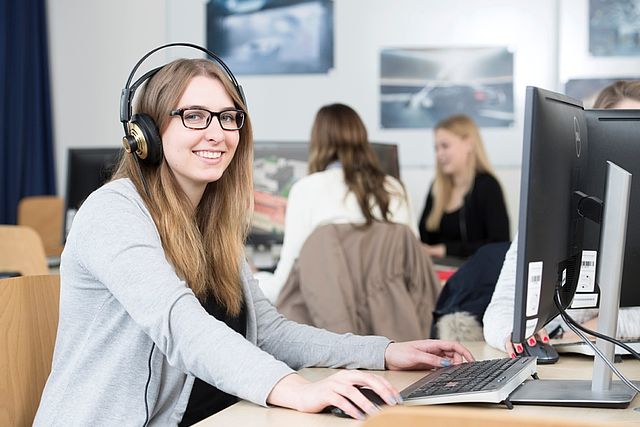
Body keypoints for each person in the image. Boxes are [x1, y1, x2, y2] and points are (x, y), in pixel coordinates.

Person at [34, 57, 473, 426]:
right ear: (145, 133)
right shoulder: (113, 211)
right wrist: (295, 389)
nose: (217, 132)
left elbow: (272, 334)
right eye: (194, 116)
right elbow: (182, 327)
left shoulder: (211, 226)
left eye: (229, 117)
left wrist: (385, 352)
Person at [483, 80, 640, 357]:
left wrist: (603, 325)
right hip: (569, 359)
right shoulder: (558, 209)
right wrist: (514, 334)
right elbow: (503, 308)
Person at [256, 103, 419, 303]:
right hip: (391, 316)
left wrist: (252, 277)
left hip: (330, 319)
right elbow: (414, 270)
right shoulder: (395, 189)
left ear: (318, 142)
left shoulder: (307, 189)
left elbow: (284, 287)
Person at [418, 114, 510, 259]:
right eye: (436, 148)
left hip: (474, 275)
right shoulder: (436, 187)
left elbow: (499, 244)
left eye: (445, 146)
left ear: (468, 144)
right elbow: (424, 239)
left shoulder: (488, 186)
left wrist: (446, 250)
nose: (439, 154)